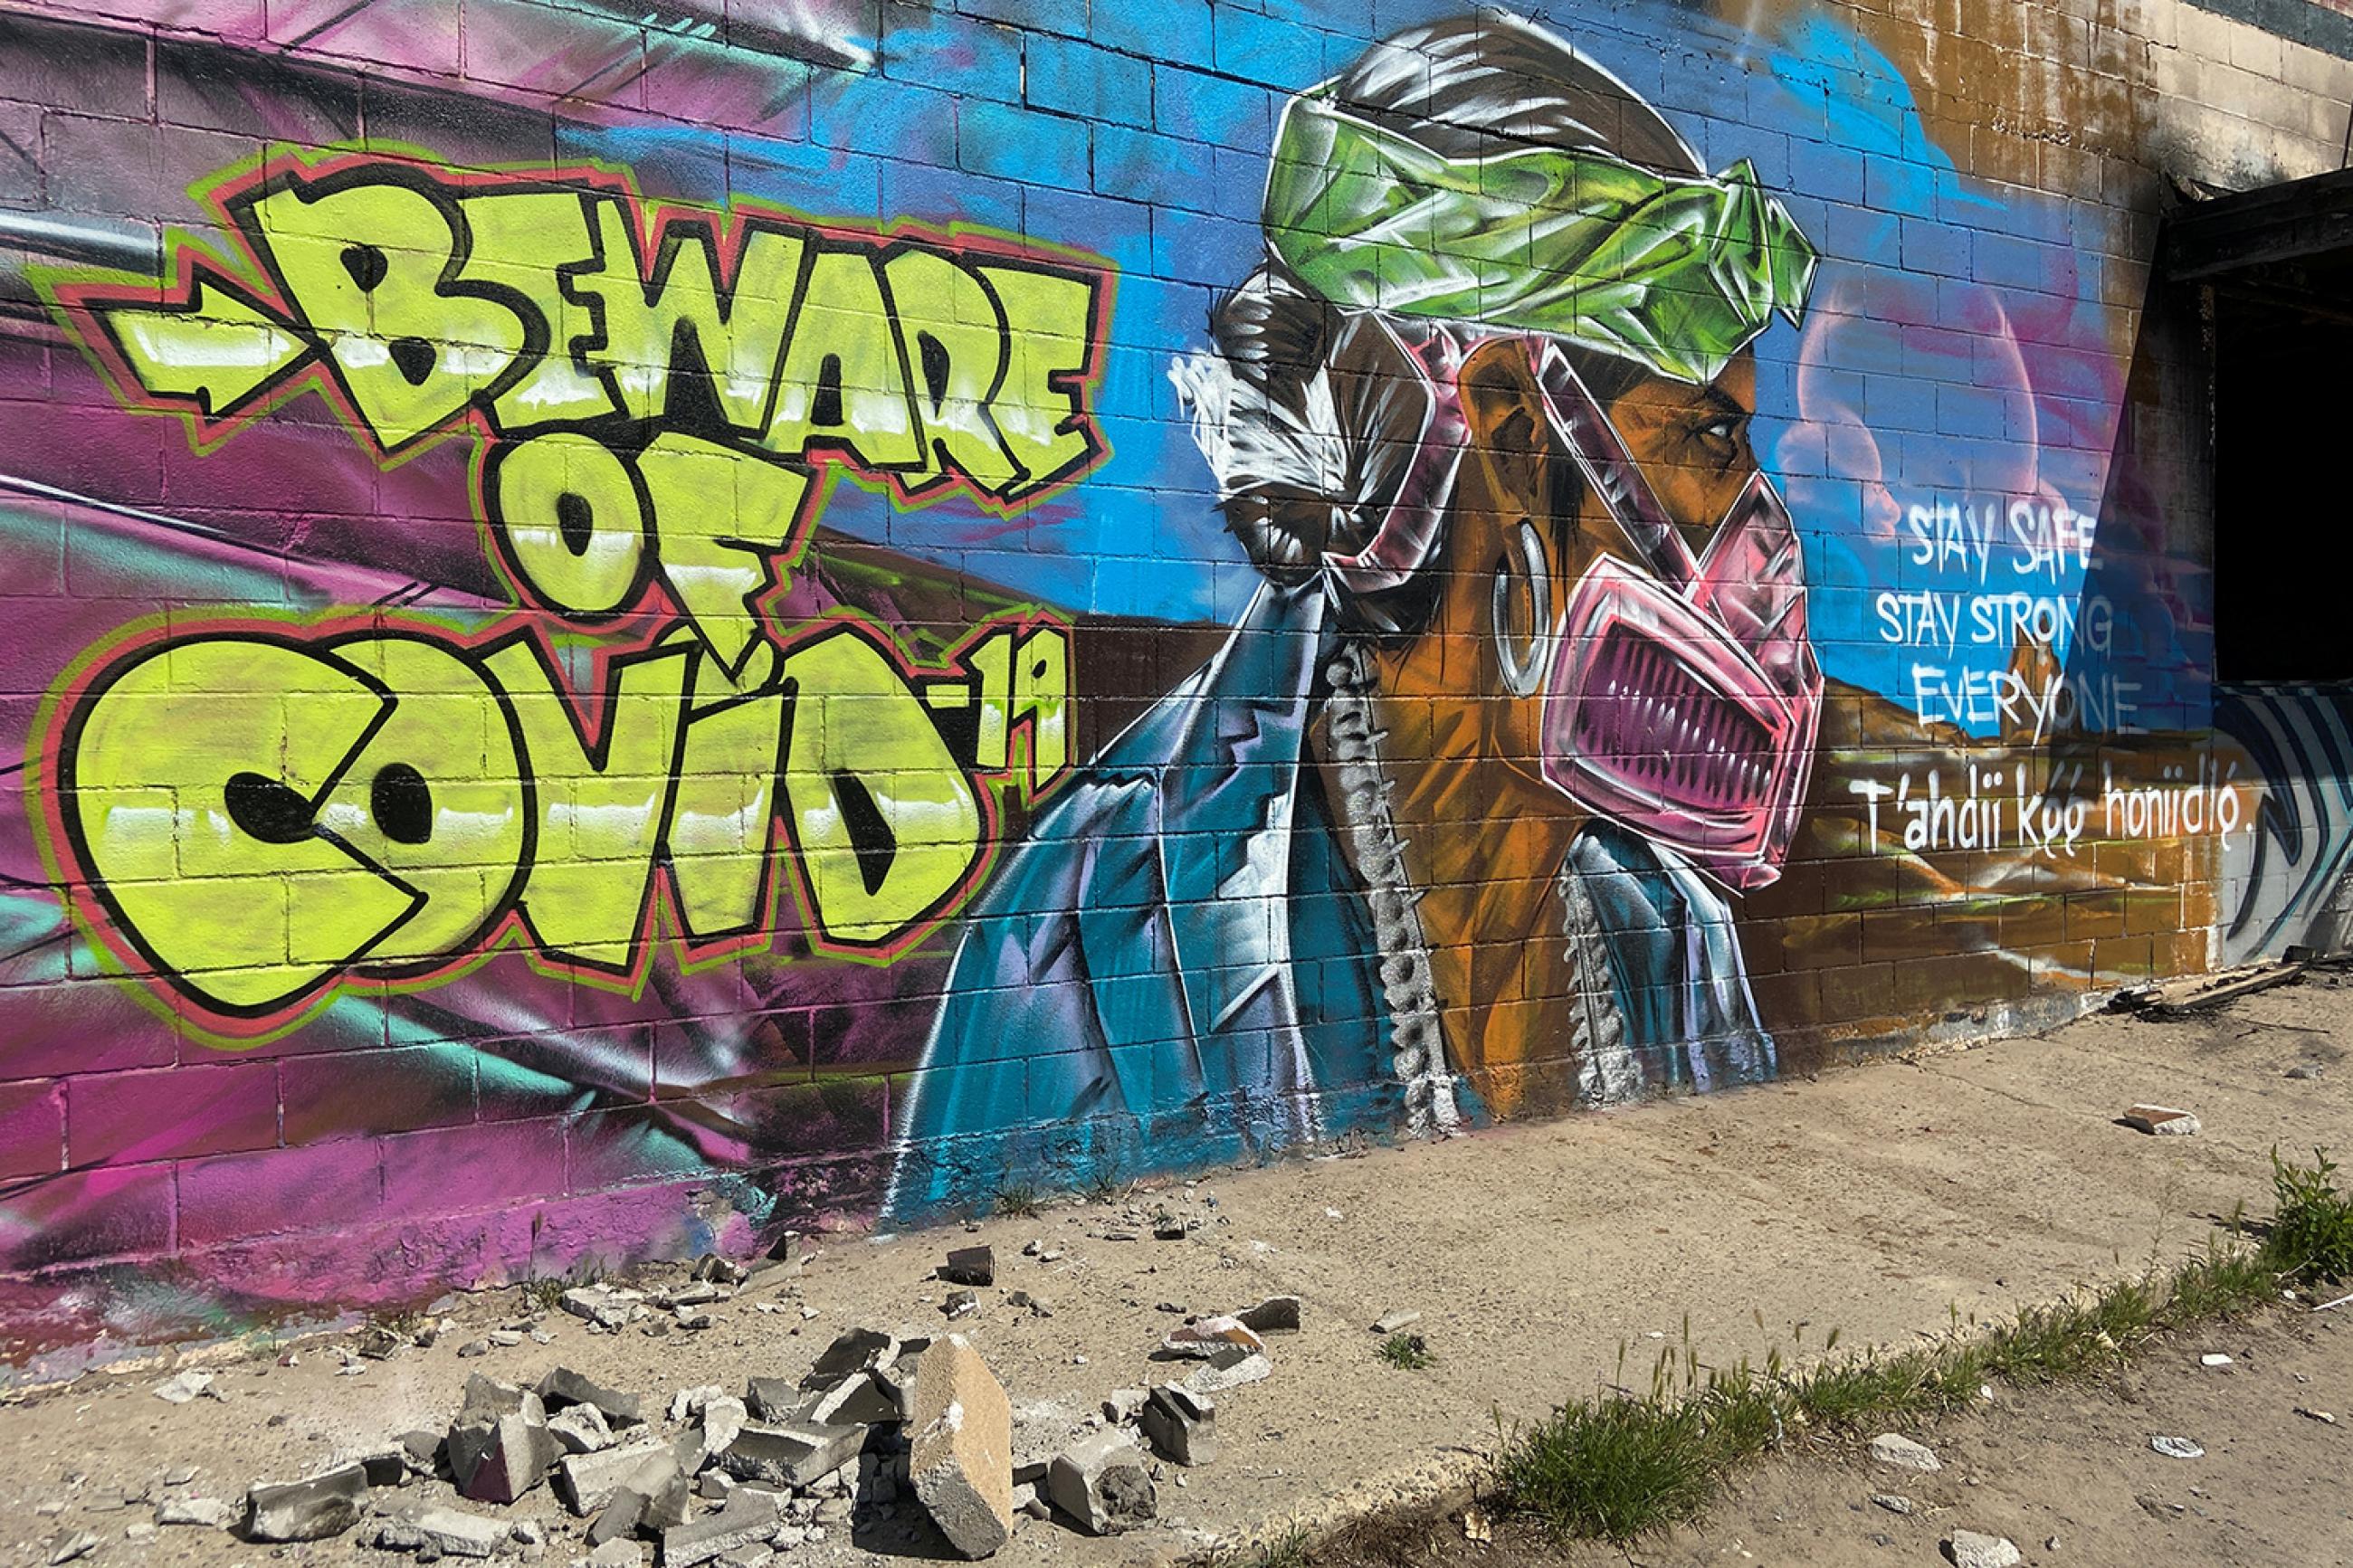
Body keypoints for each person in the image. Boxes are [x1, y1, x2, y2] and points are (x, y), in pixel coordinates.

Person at [884, 11, 1823, 1219]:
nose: (1760, 532)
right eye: (1705, 433)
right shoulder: (1110, 928)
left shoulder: (1669, 938)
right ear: (1517, 434)